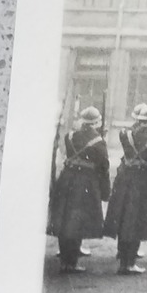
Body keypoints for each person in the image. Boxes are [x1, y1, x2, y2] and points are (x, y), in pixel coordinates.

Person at [103, 104, 147, 275]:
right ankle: (129, 264)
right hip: (143, 185)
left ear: (138, 120)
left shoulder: (126, 134)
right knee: (137, 224)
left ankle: (123, 257)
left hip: (124, 181)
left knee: (124, 221)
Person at [47, 106, 110, 272]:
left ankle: (65, 257)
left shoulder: (70, 136)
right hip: (85, 183)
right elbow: (103, 167)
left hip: (67, 179)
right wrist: (105, 191)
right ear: (97, 122)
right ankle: (71, 262)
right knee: (78, 221)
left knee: (65, 219)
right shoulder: (98, 142)